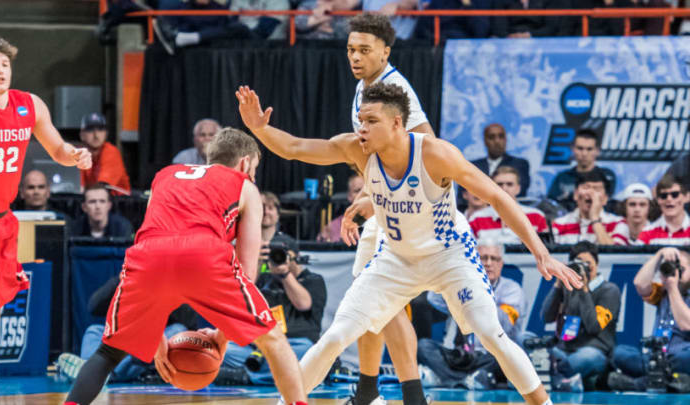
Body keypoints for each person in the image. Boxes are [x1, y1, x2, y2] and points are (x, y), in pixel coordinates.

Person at [237, 83, 581, 405]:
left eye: (372, 121)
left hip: (450, 256)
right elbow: (297, 148)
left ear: (398, 123)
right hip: (396, 258)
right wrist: (260, 129)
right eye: (361, 120)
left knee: (492, 334)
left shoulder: (435, 154)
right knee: (336, 335)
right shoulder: (357, 150)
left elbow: (495, 195)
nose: (363, 128)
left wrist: (542, 253)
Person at [63, 128, 308, 405]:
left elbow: (154, 238)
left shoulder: (165, 175)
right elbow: (247, 273)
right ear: (245, 163)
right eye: (254, 169)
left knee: (108, 352)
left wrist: (154, 337)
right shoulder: (245, 185)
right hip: (203, 253)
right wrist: (222, 337)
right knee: (273, 340)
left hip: (147, 256)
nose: (253, 175)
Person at [0, 35, 91, 404]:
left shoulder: (29, 105)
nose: (0, 70)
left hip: (4, 220)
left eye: (4, 64)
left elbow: (57, 148)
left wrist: (75, 156)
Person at [343, 14, 435, 405]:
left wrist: (374, 197)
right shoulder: (367, 86)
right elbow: (382, 158)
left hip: (407, 211)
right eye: (350, 50)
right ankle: (371, 392)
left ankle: (407, 396)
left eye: (364, 50)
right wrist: (369, 191)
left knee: (382, 299)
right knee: (372, 299)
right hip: (387, 206)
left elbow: (427, 150)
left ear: (386, 51)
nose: (356, 57)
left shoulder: (396, 89)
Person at [417, 239, 527, 389]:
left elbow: (504, 321)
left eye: (494, 259)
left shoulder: (512, 289)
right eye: (483, 258)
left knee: (507, 357)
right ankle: (468, 380)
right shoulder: (462, 284)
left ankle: (446, 379)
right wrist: (456, 276)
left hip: (490, 354)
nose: (488, 263)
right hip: (460, 355)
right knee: (423, 346)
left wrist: (475, 294)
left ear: (501, 264)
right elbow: (433, 297)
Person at [219, 238, 327, 385]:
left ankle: (249, 376)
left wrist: (285, 275)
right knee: (226, 350)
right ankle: (260, 374)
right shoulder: (264, 280)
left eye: (282, 255)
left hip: (296, 344)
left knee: (307, 351)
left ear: (295, 256)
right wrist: (256, 264)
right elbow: (238, 298)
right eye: (273, 255)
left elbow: (303, 304)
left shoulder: (313, 280)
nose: (278, 259)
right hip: (260, 346)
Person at [57, 275, 197, 383]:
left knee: (178, 331)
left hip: (154, 345)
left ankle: (98, 373)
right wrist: (117, 283)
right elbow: (93, 307)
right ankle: (87, 368)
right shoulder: (127, 282)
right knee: (93, 331)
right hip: (127, 341)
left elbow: (190, 324)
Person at [541, 241, 620, 392]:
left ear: (596, 264)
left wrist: (583, 289)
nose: (584, 267)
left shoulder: (610, 291)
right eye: (579, 263)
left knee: (587, 357)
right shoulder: (568, 286)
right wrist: (558, 283)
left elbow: (593, 326)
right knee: (527, 342)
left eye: (588, 263)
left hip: (594, 351)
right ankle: (559, 379)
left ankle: (551, 377)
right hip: (563, 350)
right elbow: (546, 317)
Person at [609, 247, 690, 390]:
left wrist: (672, 288)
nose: (676, 273)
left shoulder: (670, 290)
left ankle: (638, 384)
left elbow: (686, 324)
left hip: (680, 357)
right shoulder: (662, 292)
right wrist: (659, 255)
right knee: (619, 353)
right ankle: (671, 381)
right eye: (673, 269)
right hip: (655, 358)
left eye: (681, 269)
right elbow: (640, 283)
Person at [469, 166, 548, 244]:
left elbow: (546, 250)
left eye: (509, 184)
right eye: (499, 184)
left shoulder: (537, 216)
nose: (504, 188)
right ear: (491, 188)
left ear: (518, 189)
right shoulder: (476, 218)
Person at [551, 170, 630, 246]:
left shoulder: (618, 223)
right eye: (586, 187)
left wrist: (595, 218)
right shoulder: (559, 224)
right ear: (575, 194)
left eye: (597, 189)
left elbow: (616, 256)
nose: (590, 193)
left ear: (605, 198)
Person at [547, 129, 616, 211]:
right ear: (573, 149)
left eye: (589, 149)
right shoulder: (562, 178)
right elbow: (551, 205)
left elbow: (606, 204)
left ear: (597, 151)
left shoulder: (606, 176)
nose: (584, 154)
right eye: (580, 148)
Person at [470, 124, 530, 197]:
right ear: (485, 141)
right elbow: (464, 196)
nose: (497, 141)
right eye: (491, 137)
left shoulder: (519, 164)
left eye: (501, 136)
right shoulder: (473, 166)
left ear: (506, 139)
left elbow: (521, 193)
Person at [79, 112, 131, 196]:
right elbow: (77, 187)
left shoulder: (111, 151)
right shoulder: (80, 153)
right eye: (90, 129)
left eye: (100, 129)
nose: (96, 135)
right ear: (82, 135)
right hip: (91, 201)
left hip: (117, 202)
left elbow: (102, 187)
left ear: (106, 134)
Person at [638, 174, 690, 245]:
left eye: (675, 194)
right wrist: (660, 253)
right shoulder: (647, 233)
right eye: (663, 196)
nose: (669, 199)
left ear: (687, 197)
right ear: (658, 200)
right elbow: (636, 256)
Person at [69, 184, 134, 239]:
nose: (98, 206)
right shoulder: (74, 228)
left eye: (102, 201)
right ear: (84, 207)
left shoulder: (122, 227)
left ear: (109, 206)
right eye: (92, 202)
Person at [317, 174, 364, 243]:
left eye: (366, 191)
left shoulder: (382, 223)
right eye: (357, 191)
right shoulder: (333, 227)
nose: (362, 194)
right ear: (349, 196)